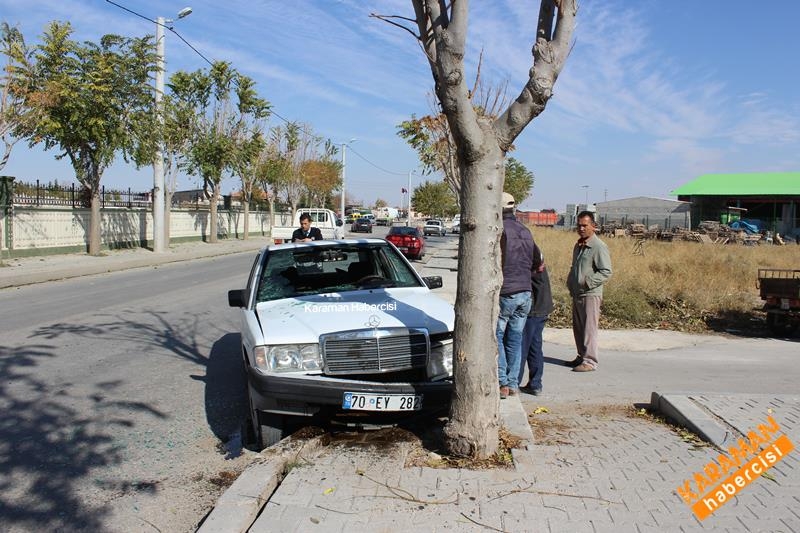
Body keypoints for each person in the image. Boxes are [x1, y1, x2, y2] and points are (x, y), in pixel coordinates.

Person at [496, 192, 534, 398]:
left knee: (497, 335)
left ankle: (502, 382)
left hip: (507, 292)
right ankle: (513, 384)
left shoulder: (500, 230)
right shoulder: (526, 230)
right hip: (525, 292)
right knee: (515, 339)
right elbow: (538, 261)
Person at [565, 210, 612, 372]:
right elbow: (575, 267)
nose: (581, 228)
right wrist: (571, 282)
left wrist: (587, 283)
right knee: (578, 327)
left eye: (585, 225)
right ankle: (581, 356)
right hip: (577, 293)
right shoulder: (579, 245)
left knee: (589, 329)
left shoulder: (598, 246)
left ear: (594, 226)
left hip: (590, 294)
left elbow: (606, 271)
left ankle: (590, 361)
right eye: (579, 225)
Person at [518, 243, 553, 395]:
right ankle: (535, 384)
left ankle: (514, 383)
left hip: (535, 307)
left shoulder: (527, 252)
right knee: (534, 346)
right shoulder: (533, 250)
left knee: (522, 346)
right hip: (541, 306)